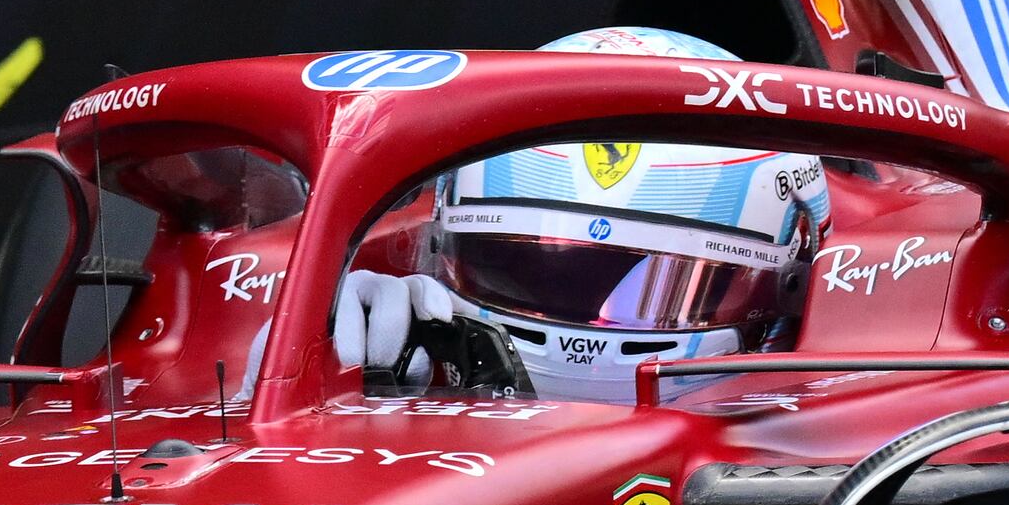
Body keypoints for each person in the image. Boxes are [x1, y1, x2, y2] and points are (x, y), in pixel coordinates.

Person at [333, 29, 832, 402]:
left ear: (792, 285)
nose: (586, 329)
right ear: (443, 246)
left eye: (666, 288)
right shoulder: (417, 341)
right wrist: (328, 375)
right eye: (519, 269)